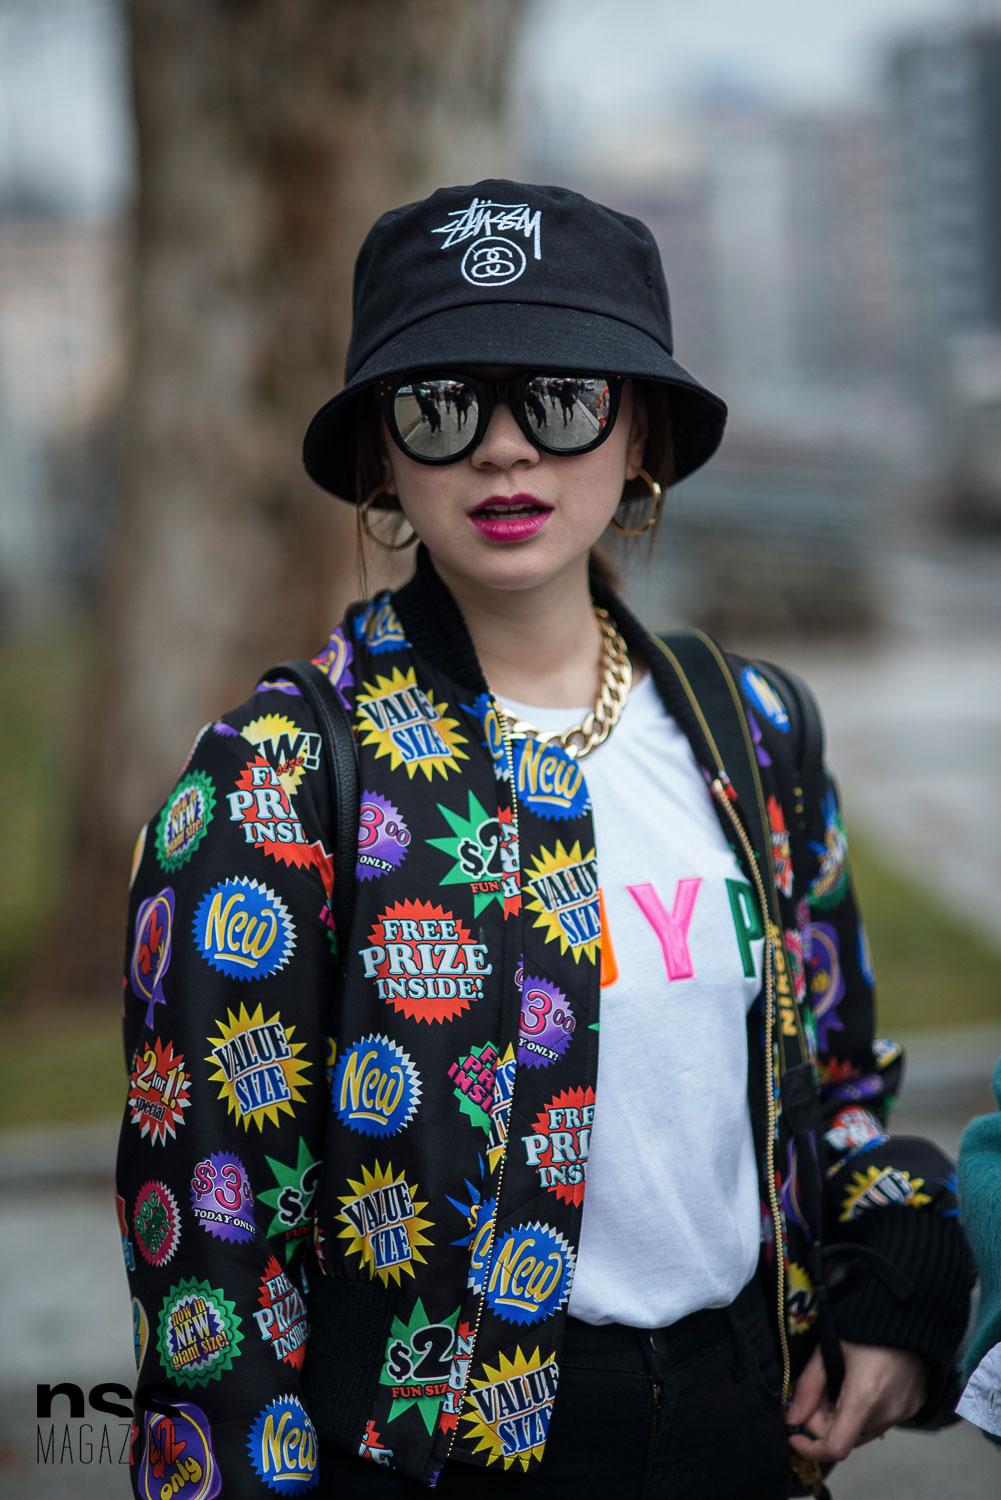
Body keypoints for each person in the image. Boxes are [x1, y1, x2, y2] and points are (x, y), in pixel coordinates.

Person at [114, 179, 974, 1499]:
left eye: (562, 399)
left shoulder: (754, 731)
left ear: (641, 434)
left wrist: (893, 1290)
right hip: (446, 1464)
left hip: (743, 1428)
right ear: (383, 453)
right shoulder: (272, 782)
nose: (504, 450)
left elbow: (837, 1084)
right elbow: (209, 1258)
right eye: (442, 405)